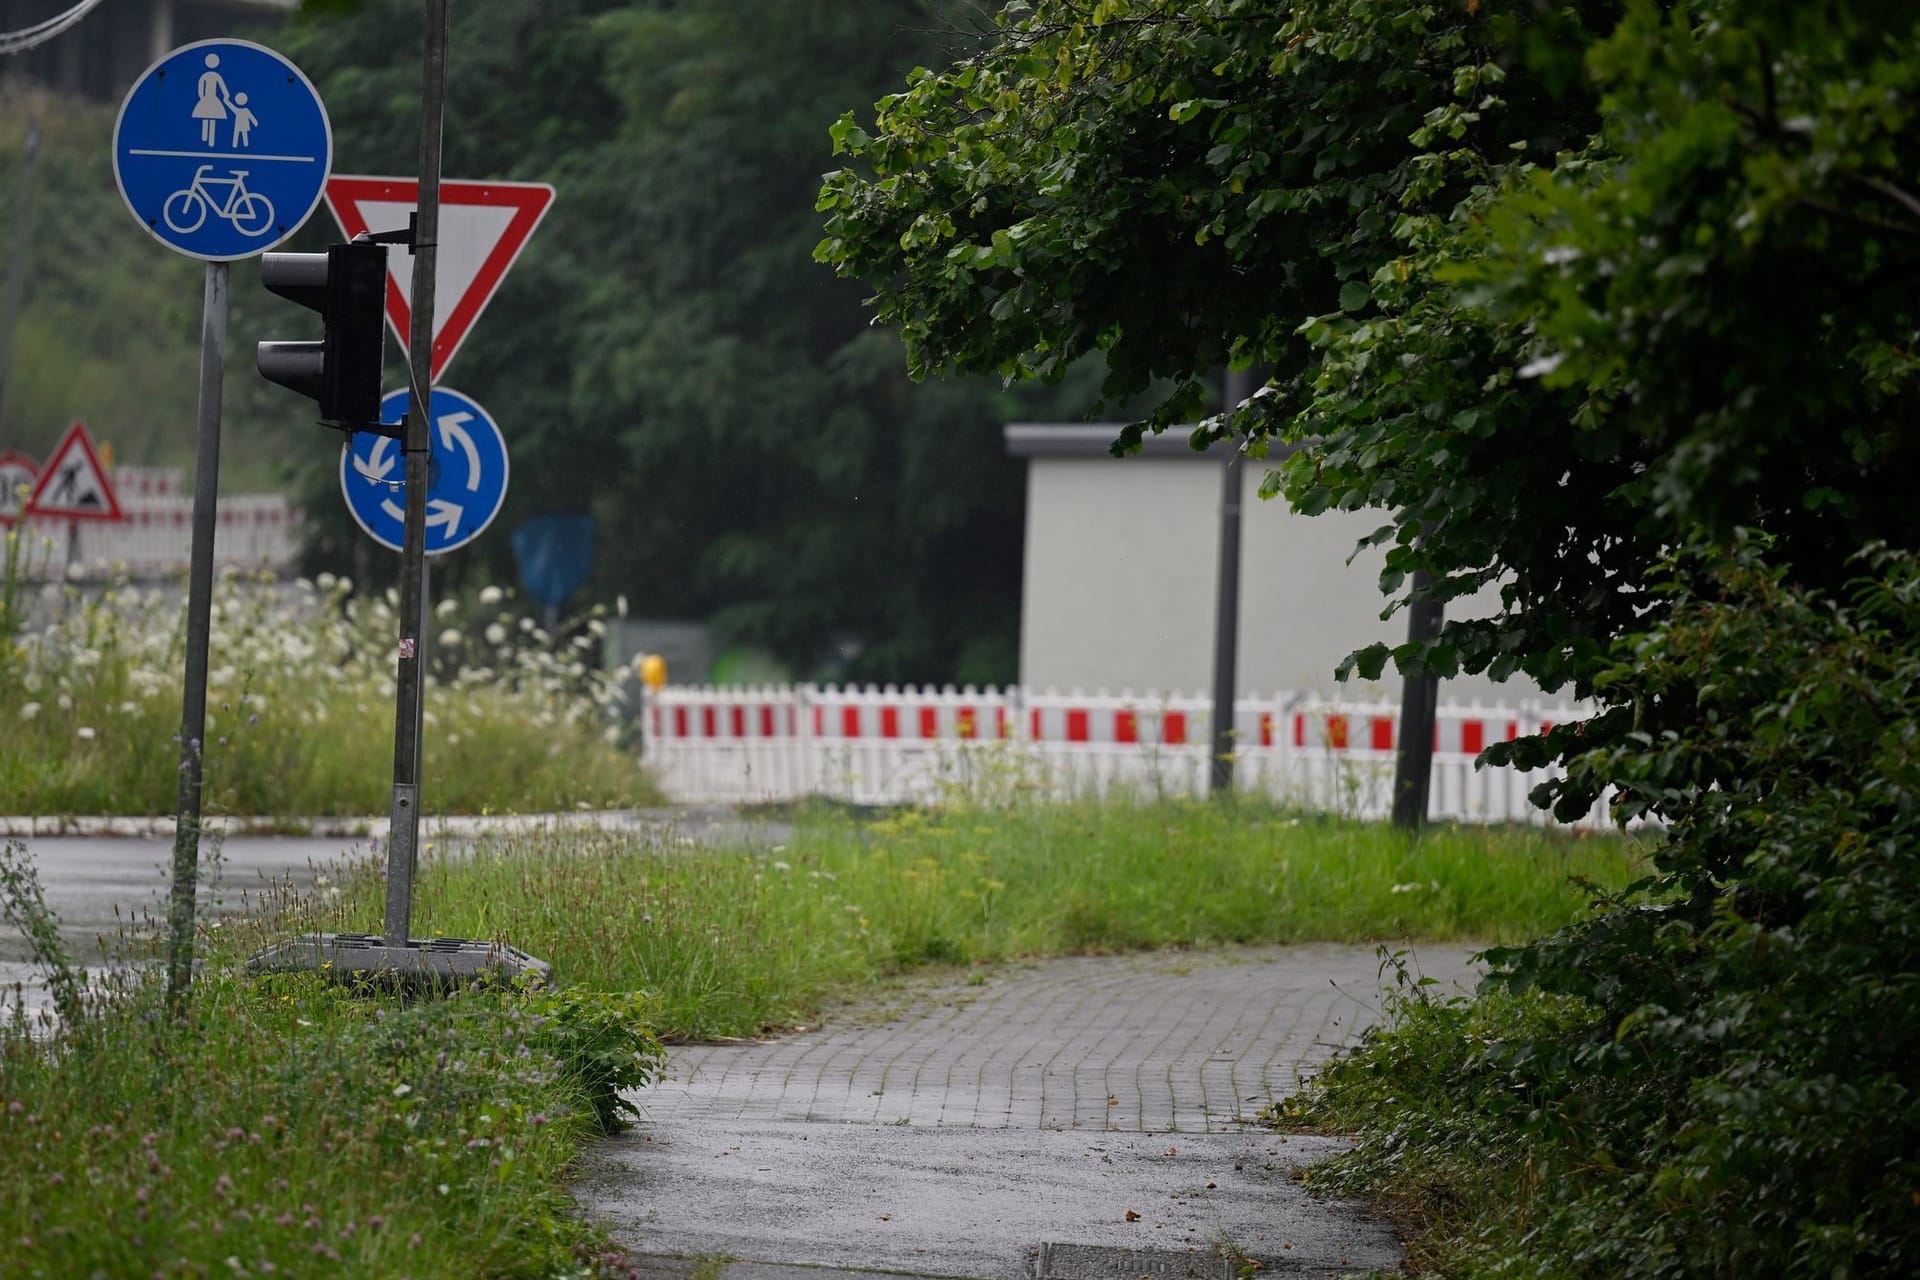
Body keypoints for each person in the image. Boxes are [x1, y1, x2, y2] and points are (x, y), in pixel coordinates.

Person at [193, 53, 230, 146]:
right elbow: (201, 87)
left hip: (209, 98)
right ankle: (206, 140)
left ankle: (208, 140)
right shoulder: (210, 76)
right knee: (208, 117)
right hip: (210, 99)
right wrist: (226, 95)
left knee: (210, 117)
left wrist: (202, 97)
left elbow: (201, 88)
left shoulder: (210, 76)